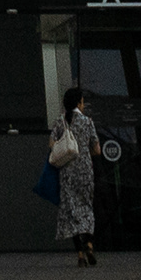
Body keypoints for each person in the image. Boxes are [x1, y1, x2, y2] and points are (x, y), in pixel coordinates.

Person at [47, 84, 102, 268]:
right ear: (79, 103)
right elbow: (97, 150)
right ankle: (89, 244)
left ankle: (79, 254)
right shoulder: (87, 122)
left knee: (72, 213)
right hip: (85, 171)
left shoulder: (60, 121)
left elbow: (52, 144)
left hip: (67, 172)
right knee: (86, 209)